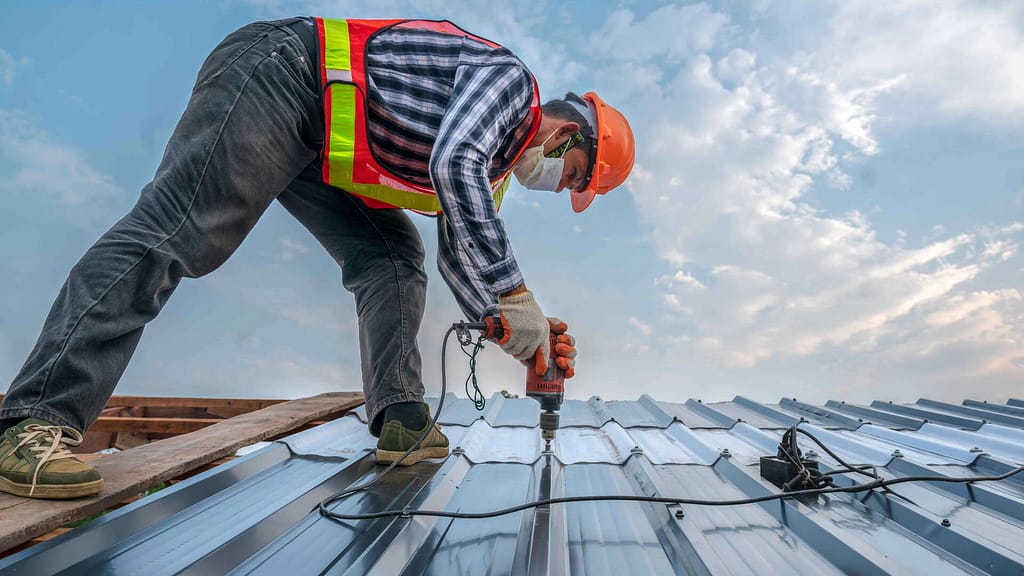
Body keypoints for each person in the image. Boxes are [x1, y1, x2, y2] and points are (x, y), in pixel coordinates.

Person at [0, 17, 635, 499]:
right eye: (573, 175)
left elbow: (459, 250)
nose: (559, 185)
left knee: (393, 257)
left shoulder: (491, 166)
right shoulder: (511, 87)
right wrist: (517, 294)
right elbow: (453, 163)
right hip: (282, 73)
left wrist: (509, 325)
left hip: (317, 143)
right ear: (568, 132)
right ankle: (32, 420)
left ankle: (401, 416)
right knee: (180, 232)